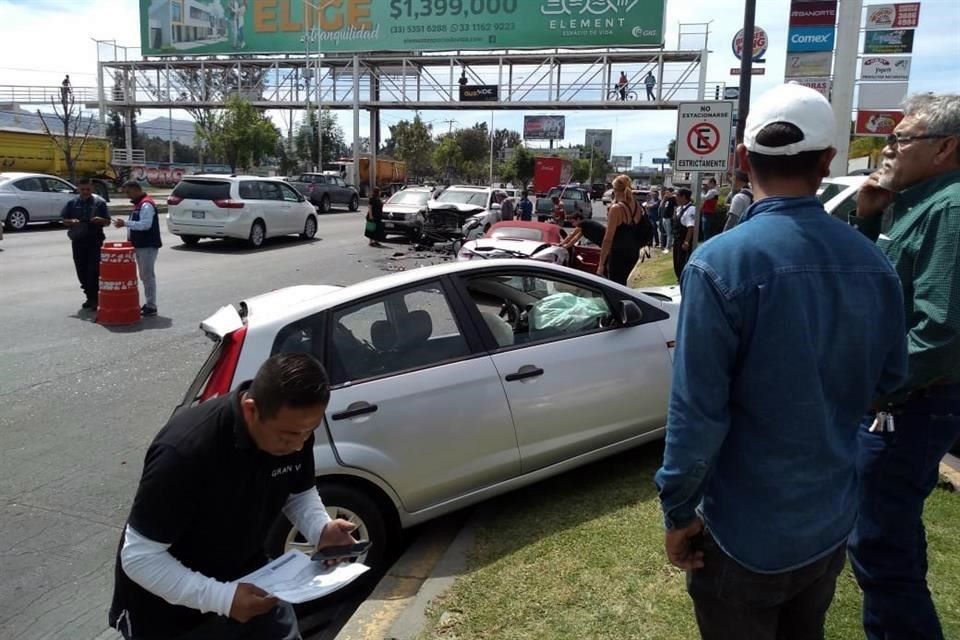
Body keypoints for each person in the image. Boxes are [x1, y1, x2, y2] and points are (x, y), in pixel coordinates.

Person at [655, 83, 908, 640]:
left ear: (743, 160)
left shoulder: (718, 263)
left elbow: (696, 413)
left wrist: (678, 513)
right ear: (826, 162)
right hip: (828, 523)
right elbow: (890, 379)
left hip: (742, 533)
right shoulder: (873, 262)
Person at [108, 354, 360, 640]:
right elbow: (140, 558)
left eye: (308, 432)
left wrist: (320, 528)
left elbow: (298, 492)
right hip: (170, 615)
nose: (298, 445)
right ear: (251, 410)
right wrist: (224, 599)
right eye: (288, 436)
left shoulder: (295, 430)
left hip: (253, 582)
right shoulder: (184, 451)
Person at [847, 93, 960, 640]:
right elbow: (872, 287)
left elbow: (939, 331)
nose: (888, 148)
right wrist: (867, 220)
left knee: (880, 549)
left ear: (946, 148)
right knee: (884, 541)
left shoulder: (951, 207)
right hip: (898, 401)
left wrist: (869, 385)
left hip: (911, 404)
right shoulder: (912, 201)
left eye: (901, 139)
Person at [61, 177, 110, 310]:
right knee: (81, 269)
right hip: (78, 240)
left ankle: (95, 297)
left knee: (93, 270)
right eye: (82, 189)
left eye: (88, 189)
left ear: (92, 189)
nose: (85, 192)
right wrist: (71, 222)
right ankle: (88, 296)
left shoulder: (99, 203)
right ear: (78, 189)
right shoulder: (72, 203)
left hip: (95, 240)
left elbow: (107, 221)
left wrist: (100, 220)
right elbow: (64, 220)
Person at [114, 181, 161, 317]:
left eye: (128, 192)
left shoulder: (146, 204)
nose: (127, 195)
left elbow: (145, 225)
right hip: (140, 245)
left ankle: (151, 305)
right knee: (144, 275)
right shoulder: (139, 205)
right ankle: (149, 304)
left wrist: (125, 223)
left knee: (147, 276)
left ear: (136, 190)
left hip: (147, 245)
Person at [598, 174, 643, 285]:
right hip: (633, 251)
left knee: (614, 287)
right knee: (623, 285)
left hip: (619, 253)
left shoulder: (616, 209)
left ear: (615, 190)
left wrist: (601, 263)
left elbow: (608, 238)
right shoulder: (636, 206)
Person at [671, 187, 696, 281]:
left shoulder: (691, 209)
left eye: (677, 195)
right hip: (677, 240)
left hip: (683, 240)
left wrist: (686, 242)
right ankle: (679, 279)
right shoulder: (679, 208)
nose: (676, 198)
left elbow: (691, 227)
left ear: (684, 197)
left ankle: (683, 281)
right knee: (676, 263)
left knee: (682, 263)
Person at [658, 187, 676, 254]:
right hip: (664, 218)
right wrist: (664, 199)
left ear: (671, 193)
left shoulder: (673, 199)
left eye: (668, 193)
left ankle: (668, 247)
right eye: (666, 193)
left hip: (669, 218)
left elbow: (675, 207)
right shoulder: (666, 199)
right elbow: (660, 206)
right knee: (666, 232)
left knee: (669, 233)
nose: (666, 194)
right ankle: (667, 245)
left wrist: (674, 216)